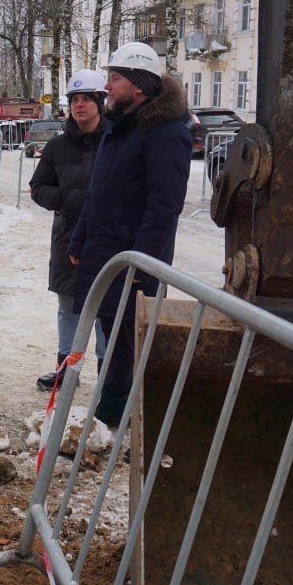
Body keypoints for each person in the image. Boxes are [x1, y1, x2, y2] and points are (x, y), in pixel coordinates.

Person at [66, 42, 191, 427]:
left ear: (138, 86)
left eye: (115, 79)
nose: (108, 85)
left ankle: (120, 415)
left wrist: (144, 261)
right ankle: (114, 411)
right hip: (104, 253)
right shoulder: (119, 128)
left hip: (133, 260)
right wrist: (79, 240)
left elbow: (163, 206)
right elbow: (98, 193)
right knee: (112, 332)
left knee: (129, 342)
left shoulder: (165, 132)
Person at [29, 69, 111, 391]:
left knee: (107, 307)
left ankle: (108, 374)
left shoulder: (114, 142)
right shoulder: (57, 148)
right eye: (74, 100)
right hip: (67, 238)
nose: (79, 106)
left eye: (86, 99)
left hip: (107, 240)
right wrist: (67, 199)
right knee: (68, 307)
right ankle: (66, 370)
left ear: (99, 103)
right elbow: (37, 188)